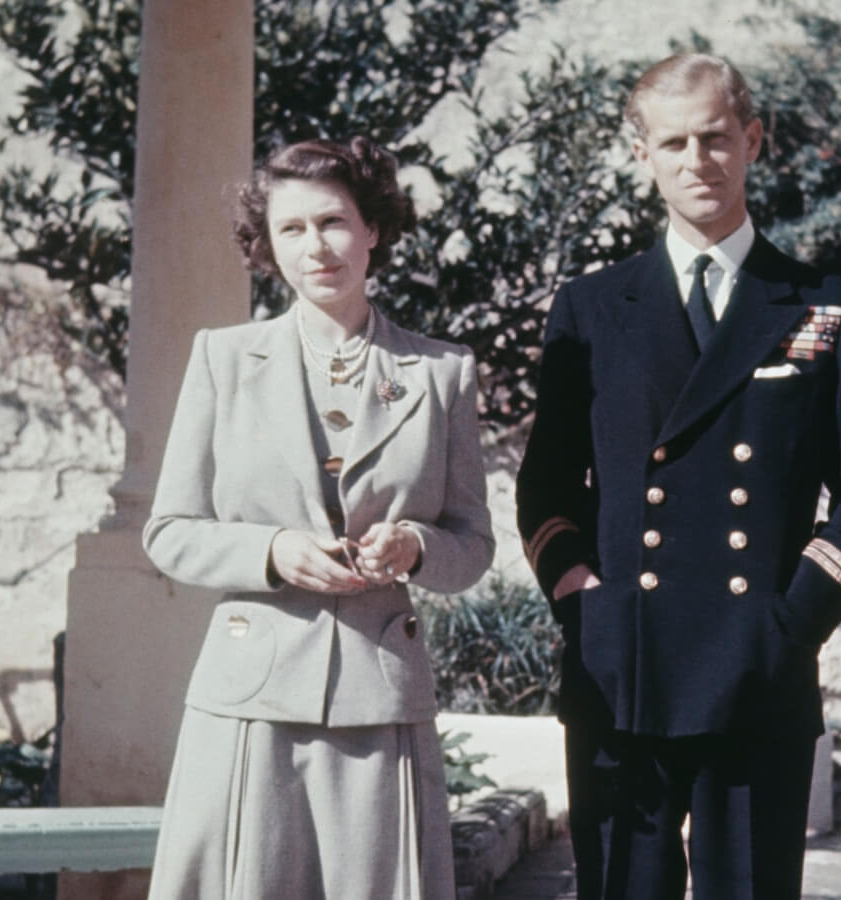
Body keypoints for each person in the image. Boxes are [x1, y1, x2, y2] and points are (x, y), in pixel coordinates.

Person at [515, 53, 841, 900]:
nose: (699, 161)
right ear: (642, 154)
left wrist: (792, 620)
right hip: (623, 665)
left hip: (757, 670)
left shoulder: (827, 307)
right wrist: (584, 601)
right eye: (675, 142)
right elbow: (545, 489)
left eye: (717, 139)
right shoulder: (590, 308)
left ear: (753, 141)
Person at [141, 136, 494, 900]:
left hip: (380, 698)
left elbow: (472, 545)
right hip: (247, 704)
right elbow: (169, 530)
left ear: (372, 228)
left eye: (333, 222)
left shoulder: (441, 373)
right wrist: (271, 552)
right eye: (291, 229)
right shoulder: (222, 360)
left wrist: (415, 545)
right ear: (266, 244)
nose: (316, 247)